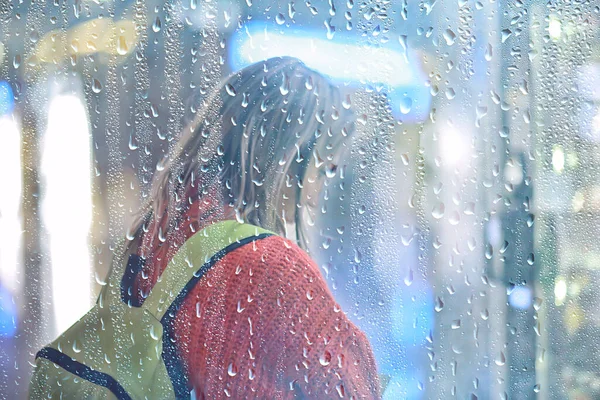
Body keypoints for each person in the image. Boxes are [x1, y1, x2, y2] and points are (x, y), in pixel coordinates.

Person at [29, 56, 380, 399]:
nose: (318, 193)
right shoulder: (271, 265)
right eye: (324, 168)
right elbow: (353, 386)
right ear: (288, 157)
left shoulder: (155, 235)